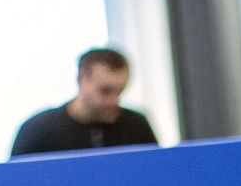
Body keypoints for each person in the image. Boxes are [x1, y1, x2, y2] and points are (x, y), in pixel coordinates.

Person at [9, 47, 159, 157]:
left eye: (120, 91)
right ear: (81, 79)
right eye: (105, 91)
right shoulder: (38, 131)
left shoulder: (136, 126)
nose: (114, 101)